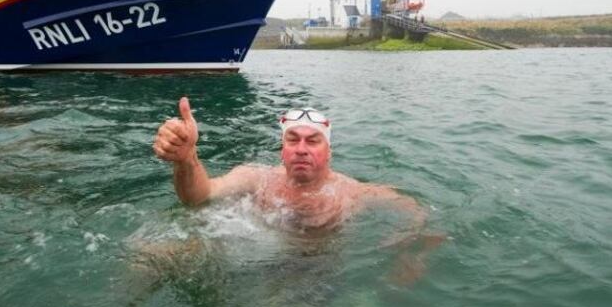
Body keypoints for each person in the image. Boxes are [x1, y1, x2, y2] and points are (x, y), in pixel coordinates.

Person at [153, 97, 430, 237]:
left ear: (329, 151)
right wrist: (187, 159)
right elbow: (199, 197)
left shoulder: (352, 192)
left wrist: (409, 248)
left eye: (313, 141)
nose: (301, 148)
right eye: (293, 139)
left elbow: (414, 210)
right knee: (154, 250)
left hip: (307, 272)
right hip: (247, 246)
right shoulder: (255, 177)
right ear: (282, 149)